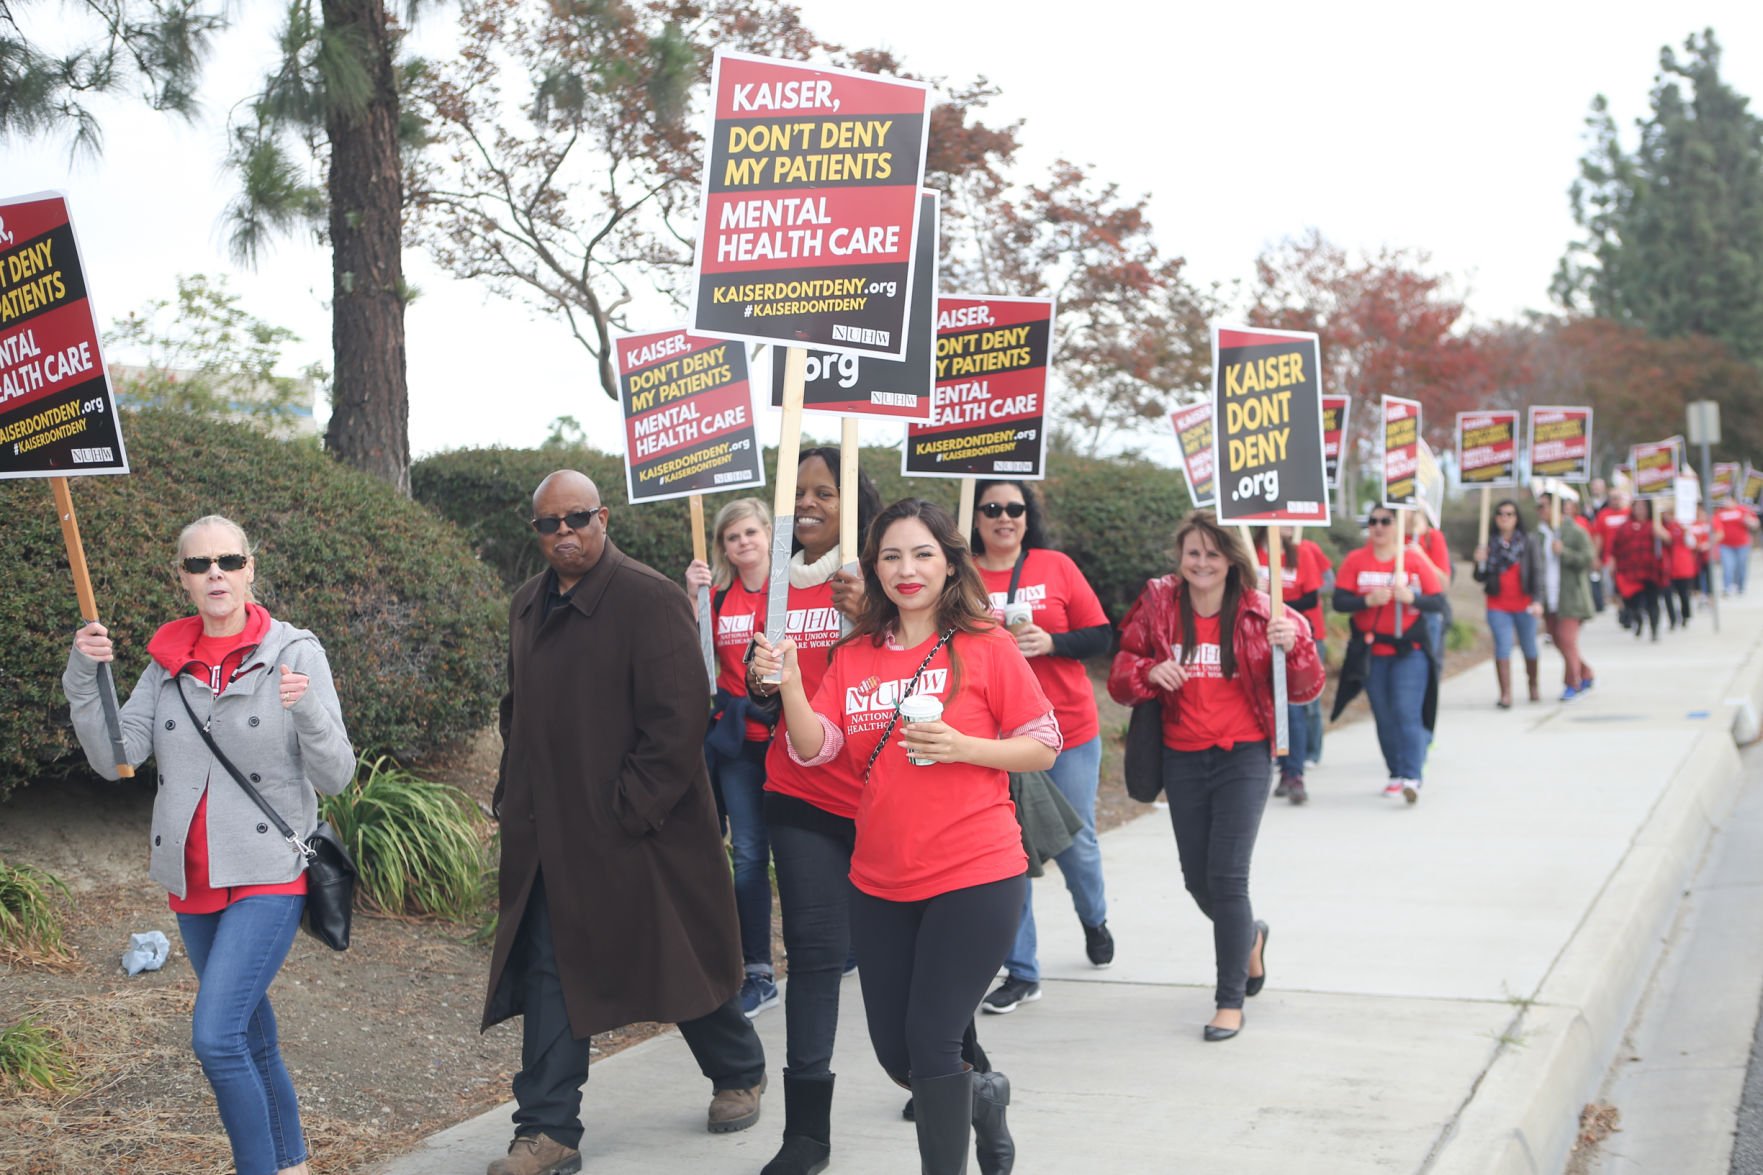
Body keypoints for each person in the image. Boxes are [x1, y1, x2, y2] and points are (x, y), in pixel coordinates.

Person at [754, 497, 1055, 1174]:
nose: (905, 568)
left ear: (950, 563)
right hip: (879, 878)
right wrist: (795, 684)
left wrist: (963, 746)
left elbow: (1042, 744)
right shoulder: (855, 652)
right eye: (890, 555)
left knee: (930, 1038)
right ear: (874, 568)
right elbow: (815, 747)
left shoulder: (985, 643)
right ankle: (983, 1095)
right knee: (899, 1056)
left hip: (975, 869)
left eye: (921, 552)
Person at [481, 472, 766, 1175]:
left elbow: (677, 722)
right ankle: (547, 1129)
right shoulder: (526, 604)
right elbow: (517, 711)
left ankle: (737, 1068)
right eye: (547, 523)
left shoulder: (649, 598)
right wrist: (509, 796)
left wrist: (626, 812)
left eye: (575, 517)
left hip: (643, 830)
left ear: (602, 517)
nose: (562, 533)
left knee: (674, 957)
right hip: (552, 832)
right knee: (555, 967)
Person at [63, 515, 355, 1175]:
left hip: (268, 871)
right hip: (191, 878)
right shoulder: (166, 661)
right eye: (199, 564)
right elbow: (119, 755)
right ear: (183, 579)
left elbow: (338, 774)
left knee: (216, 1037)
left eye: (227, 560)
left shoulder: (294, 652)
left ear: (250, 568)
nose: (215, 573)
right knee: (250, 1034)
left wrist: (305, 709)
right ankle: (291, 1165)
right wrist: (84, 678)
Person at [1108, 512, 1322, 1041]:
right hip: (1182, 756)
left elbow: (1305, 689)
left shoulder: (1263, 611)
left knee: (1227, 878)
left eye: (1212, 553)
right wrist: (1148, 672)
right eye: (1192, 553)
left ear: (1232, 559)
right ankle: (1249, 937)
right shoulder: (1159, 603)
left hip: (1244, 756)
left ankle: (1229, 1001)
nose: (1201, 563)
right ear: (1180, 557)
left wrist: (1294, 643)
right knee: (1196, 879)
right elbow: (1120, 673)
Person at [744, 446, 880, 1175]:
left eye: (825, 491)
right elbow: (758, 680)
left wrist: (871, 618)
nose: (810, 503)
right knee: (816, 956)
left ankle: (955, 1065)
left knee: (910, 957)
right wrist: (761, 677)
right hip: (798, 792)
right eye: (798, 492)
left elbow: (934, 659)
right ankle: (806, 1135)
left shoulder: (885, 573)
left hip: (886, 799)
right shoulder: (772, 580)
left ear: (851, 498)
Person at [967, 479, 1115, 1014]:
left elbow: (1101, 634)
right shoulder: (959, 572)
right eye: (992, 508)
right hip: (996, 738)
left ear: (1027, 517)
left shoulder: (1056, 567)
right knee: (1012, 853)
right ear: (976, 517)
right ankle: (1022, 971)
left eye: (1015, 508)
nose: (1004, 517)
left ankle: (1094, 917)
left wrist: (1053, 642)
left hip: (1067, 729)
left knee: (1077, 845)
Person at [684, 498, 780, 1018]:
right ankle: (758, 972)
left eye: (749, 533)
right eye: (731, 537)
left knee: (802, 850)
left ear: (768, 533)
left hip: (790, 739)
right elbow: (696, 658)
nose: (742, 543)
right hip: (737, 744)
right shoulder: (717, 598)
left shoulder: (791, 594)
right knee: (746, 855)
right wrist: (691, 594)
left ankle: (844, 943)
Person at [1332, 507, 1447, 803]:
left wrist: (1413, 598)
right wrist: (1366, 600)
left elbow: (1438, 602)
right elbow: (1340, 601)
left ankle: (1412, 776)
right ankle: (1395, 773)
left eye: (1386, 521)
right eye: (1373, 521)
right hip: (1372, 652)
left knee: (1406, 711)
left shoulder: (1412, 559)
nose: (1378, 527)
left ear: (1398, 526)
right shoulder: (1356, 560)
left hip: (1410, 651)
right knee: (1383, 716)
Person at [1252, 526, 1329, 803]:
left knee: (1294, 707)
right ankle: (1275, 765)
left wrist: (1272, 599)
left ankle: (1294, 773)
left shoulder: (1302, 553)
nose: (1287, 523)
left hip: (1291, 638)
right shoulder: (1249, 552)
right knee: (1267, 706)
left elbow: (1311, 597)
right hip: (1255, 641)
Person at [1471, 500, 1545, 708]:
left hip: (1524, 604)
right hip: (1498, 605)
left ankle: (1533, 686)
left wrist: (1538, 601)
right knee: (1503, 646)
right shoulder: (1489, 543)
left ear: (1517, 518)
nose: (1505, 517)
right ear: (1495, 518)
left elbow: (1538, 573)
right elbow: (1480, 577)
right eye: (1501, 514)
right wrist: (1479, 561)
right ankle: (1506, 694)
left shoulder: (1528, 542)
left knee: (1529, 646)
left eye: (1510, 514)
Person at [1536, 486, 1596, 700]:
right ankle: (1586, 672)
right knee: (1559, 642)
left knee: (1566, 639)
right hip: (1549, 599)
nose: (1539, 510)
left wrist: (1565, 552)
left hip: (1571, 597)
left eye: (1543, 506)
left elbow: (1588, 558)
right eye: (1537, 506)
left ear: (1555, 508)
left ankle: (1573, 683)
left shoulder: (1575, 531)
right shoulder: (1540, 535)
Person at [1609, 498, 1670, 642]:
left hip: (1651, 570)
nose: (1640, 510)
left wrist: (1660, 533)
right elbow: (1616, 547)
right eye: (1638, 507)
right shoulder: (1625, 527)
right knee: (1632, 601)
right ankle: (1638, 620)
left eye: (1643, 507)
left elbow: (1670, 541)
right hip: (1631, 571)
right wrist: (1612, 563)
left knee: (1652, 602)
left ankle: (1654, 629)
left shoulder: (1656, 525)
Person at [1712, 495, 1760, 596]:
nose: (1726, 502)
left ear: (1734, 501)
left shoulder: (1743, 510)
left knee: (1741, 566)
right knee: (1728, 566)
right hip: (1726, 545)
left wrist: (1749, 521)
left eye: (1728, 500)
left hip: (1742, 544)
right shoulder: (1720, 513)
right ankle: (1727, 587)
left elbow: (1755, 524)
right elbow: (1717, 528)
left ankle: (1740, 586)